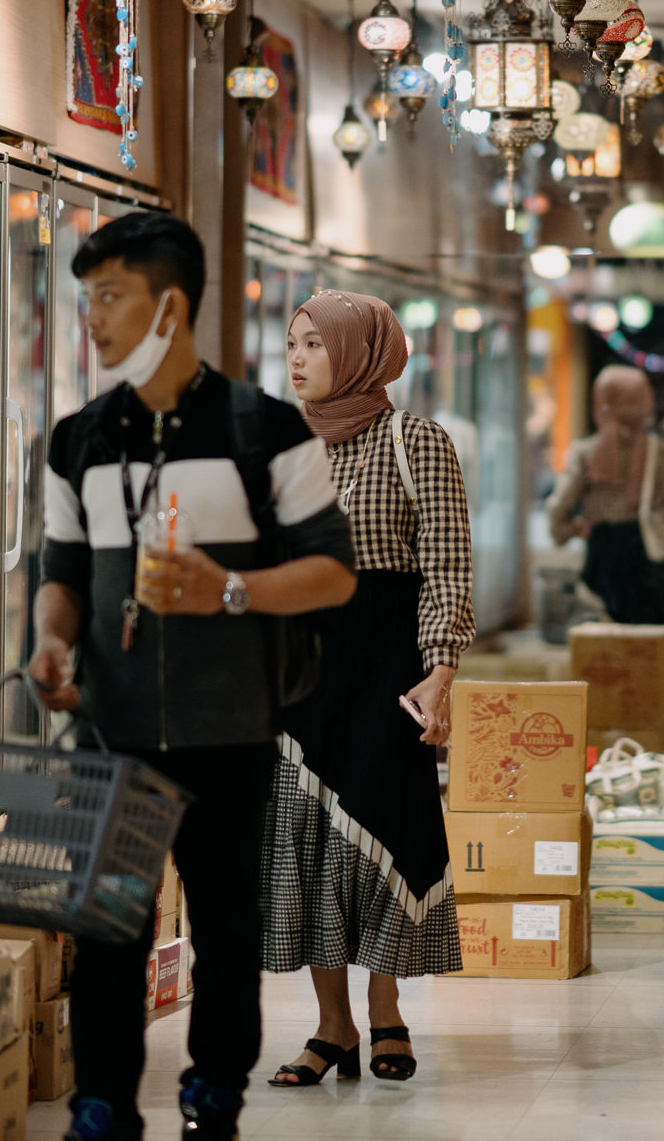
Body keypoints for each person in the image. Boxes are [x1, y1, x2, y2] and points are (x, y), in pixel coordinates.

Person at [28, 212, 357, 1141]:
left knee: (224, 931)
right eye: (85, 297)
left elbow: (333, 570)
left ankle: (215, 1094)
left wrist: (230, 591)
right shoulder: (78, 440)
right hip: (110, 729)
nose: (90, 318)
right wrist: (51, 643)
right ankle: (101, 1106)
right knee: (106, 933)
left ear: (169, 305)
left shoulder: (267, 432)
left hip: (232, 729)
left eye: (109, 296)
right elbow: (60, 576)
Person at [262, 291, 474, 1086]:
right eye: (293, 343)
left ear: (357, 352)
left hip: (387, 666)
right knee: (306, 837)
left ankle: (386, 1014)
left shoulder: (415, 443)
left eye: (315, 343)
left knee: (380, 827)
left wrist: (442, 668)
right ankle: (331, 1027)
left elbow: (447, 564)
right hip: (296, 671)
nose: (298, 357)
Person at [547, 365, 664, 625]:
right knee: (649, 648)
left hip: (604, 557)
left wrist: (568, 531)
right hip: (651, 560)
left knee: (606, 648)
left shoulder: (586, 452)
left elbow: (559, 508)